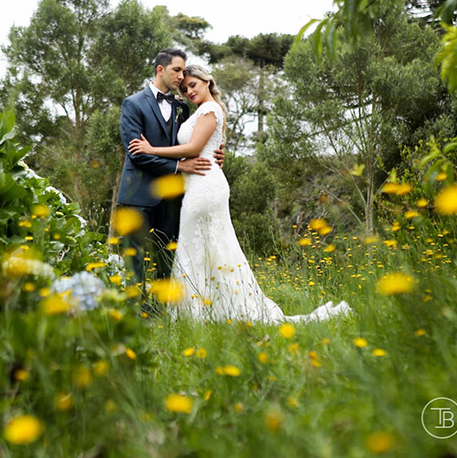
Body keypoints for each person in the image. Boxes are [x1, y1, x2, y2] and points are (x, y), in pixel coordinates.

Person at [128, 64, 351, 323]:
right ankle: (209, 311)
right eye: (185, 87)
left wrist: (150, 149)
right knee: (205, 247)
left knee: (201, 246)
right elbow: (211, 149)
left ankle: (201, 313)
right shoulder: (202, 111)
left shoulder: (211, 110)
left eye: (193, 85)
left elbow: (194, 147)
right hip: (198, 184)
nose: (189, 91)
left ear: (207, 81)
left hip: (205, 186)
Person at [116, 49, 224, 296]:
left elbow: (192, 143)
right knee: (136, 263)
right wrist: (179, 166)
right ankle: (137, 318)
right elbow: (137, 154)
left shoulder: (182, 107)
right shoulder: (133, 104)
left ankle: (163, 315)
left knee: (168, 259)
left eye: (183, 71)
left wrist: (217, 152)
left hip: (173, 197)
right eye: (177, 70)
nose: (181, 77)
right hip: (138, 197)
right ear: (160, 70)